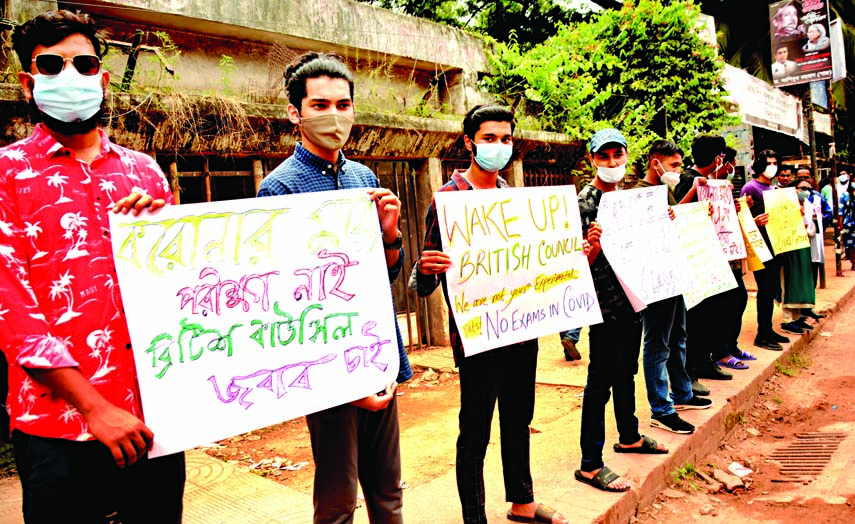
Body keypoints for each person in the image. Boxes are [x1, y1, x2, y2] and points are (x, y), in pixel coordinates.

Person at [1, 10, 185, 523]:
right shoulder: (6, 174)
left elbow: (182, 289)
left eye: (83, 64)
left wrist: (166, 230)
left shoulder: (144, 172)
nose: (70, 77)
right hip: (59, 432)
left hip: (156, 424)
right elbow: (11, 311)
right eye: (51, 66)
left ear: (103, 80)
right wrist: (95, 408)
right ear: (27, 81)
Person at [256, 51, 413, 524]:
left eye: (343, 105)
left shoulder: (364, 178)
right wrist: (344, 381)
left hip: (377, 351)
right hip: (325, 370)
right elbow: (285, 299)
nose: (334, 116)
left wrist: (391, 234)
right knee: (338, 500)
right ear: (294, 113)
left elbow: (384, 273)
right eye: (320, 105)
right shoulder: (279, 190)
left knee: (388, 488)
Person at [412, 105, 568, 524]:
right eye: (489, 138)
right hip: (477, 336)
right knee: (475, 430)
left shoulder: (517, 202)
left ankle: (522, 501)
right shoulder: (447, 202)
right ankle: (474, 517)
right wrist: (425, 269)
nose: (498, 146)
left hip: (521, 330)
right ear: (469, 142)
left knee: (519, 419)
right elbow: (423, 282)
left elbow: (535, 265)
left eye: (505, 139)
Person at [573, 129, 667, 494]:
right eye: (605, 156)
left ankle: (628, 436)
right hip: (605, 305)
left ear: (627, 156)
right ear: (593, 158)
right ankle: (590, 464)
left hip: (633, 299)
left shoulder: (629, 201)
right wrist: (592, 246)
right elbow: (579, 263)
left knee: (627, 372)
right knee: (600, 381)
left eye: (618, 155)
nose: (612, 163)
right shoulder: (584, 203)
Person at [636, 140, 712, 436]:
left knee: (678, 334)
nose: (678, 171)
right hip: (655, 278)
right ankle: (661, 409)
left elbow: (670, 220)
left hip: (672, 271)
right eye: (674, 165)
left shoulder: (662, 191)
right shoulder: (638, 193)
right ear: (655, 163)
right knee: (657, 343)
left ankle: (681, 394)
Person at [673, 135, 741, 383]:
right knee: (697, 318)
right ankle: (693, 369)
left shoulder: (710, 182)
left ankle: (704, 362)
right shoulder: (690, 181)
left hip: (708, 257)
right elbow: (679, 215)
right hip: (695, 259)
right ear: (716, 158)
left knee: (711, 312)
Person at [740, 150, 790, 350]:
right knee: (765, 290)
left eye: (775, 162)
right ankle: (762, 334)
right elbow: (743, 218)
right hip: (761, 247)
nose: (773, 166)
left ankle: (768, 330)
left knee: (771, 290)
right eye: (769, 162)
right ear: (760, 164)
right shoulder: (750, 188)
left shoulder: (774, 188)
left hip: (776, 245)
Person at [779, 181, 817, 335]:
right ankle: (787, 320)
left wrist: (804, 222)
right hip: (790, 248)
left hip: (804, 247)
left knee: (801, 282)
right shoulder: (785, 206)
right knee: (790, 282)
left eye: (807, 188)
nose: (804, 191)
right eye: (801, 188)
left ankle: (796, 318)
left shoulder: (808, 205)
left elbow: (812, 229)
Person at [796, 167, 828, 321]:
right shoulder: (791, 197)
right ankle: (799, 309)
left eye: (807, 177)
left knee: (813, 273)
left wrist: (819, 220)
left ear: (812, 179)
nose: (805, 181)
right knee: (801, 273)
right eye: (801, 178)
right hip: (798, 242)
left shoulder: (818, 197)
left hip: (815, 239)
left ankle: (809, 307)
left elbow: (828, 213)